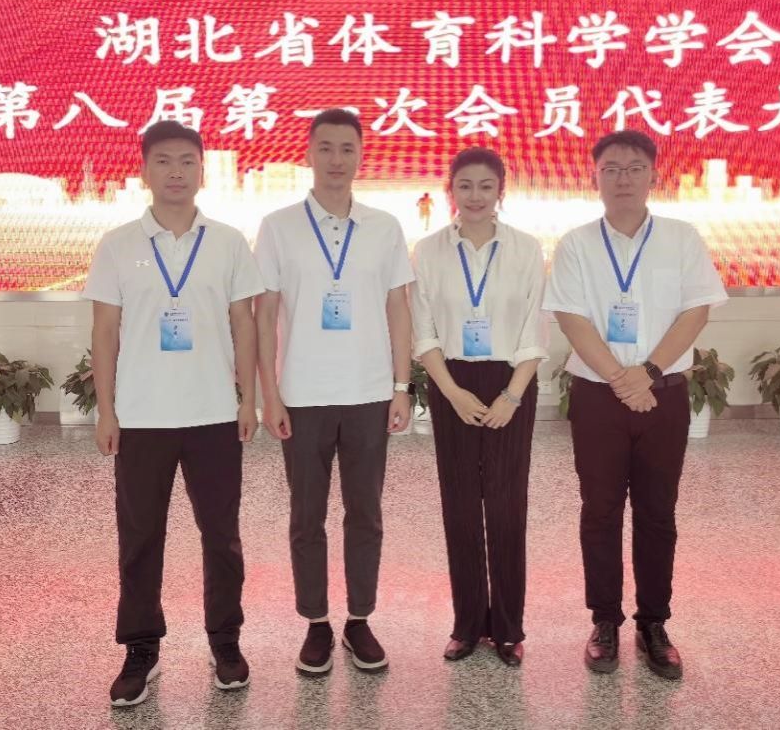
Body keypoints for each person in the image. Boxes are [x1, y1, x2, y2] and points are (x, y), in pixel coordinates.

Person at [84, 121, 264, 705]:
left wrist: (248, 399)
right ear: (144, 170)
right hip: (142, 416)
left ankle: (225, 641)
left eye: (187, 160)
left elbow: (243, 324)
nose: (176, 172)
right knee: (140, 538)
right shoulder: (118, 244)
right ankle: (141, 649)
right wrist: (106, 411)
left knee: (222, 536)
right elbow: (105, 332)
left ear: (202, 170)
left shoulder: (229, 242)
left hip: (213, 413)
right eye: (163, 160)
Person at [542, 129, 728, 681]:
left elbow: (697, 311)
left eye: (634, 168)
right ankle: (604, 621)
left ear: (654, 176)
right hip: (598, 398)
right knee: (599, 511)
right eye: (611, 169)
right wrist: (620, 380)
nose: (622, 178)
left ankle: (653, 624)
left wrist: (645, 374)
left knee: (657, 512)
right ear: (595, 177)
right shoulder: (576, 243)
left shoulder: (681, 238)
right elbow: (571, 318)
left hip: (662, 394)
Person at [254, 108, 414, 675]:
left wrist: (401, 386)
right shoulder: (278, 226)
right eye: (326, 148)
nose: (336, 159)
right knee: (307, 515)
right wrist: (269, 393)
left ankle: (359, 619)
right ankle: (317, 622)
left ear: (361, 155)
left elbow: (398, 308)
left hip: (369, 392)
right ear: (308, 153)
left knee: (365, 513)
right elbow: (265, 311)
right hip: (302, 393)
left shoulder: (385, 227)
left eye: (347, 148)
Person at [410, 147, 547, 667]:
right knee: (461, 506)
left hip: (511, 379)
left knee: (508, 507)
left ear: (500, 192)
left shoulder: (525, 249)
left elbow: (534, 330)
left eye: (485, 186)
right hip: (453, 381)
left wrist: (512, 395)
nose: (475, 196)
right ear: (451, 191)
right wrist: (451, 391)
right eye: (464, 185)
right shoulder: (429, 251)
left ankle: (508, 628)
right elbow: (424, 332)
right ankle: (467, 625)